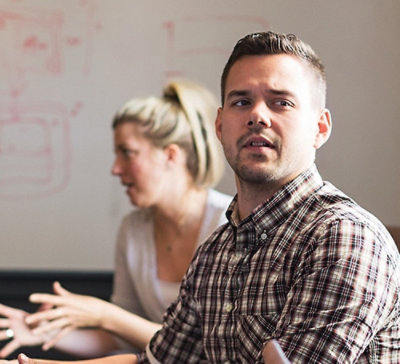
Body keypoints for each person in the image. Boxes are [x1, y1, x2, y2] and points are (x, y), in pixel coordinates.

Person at [1, 29, 400, 364]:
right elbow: (157, 362)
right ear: (220, 124)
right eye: (242, 101)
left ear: (320, 127)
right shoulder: (216, 251)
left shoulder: (345, 237)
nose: (258, 115)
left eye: (281, 102)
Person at [0, 79, 232, 359]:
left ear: (170, 155)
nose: (115, 168)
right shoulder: (133, 230)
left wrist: (106, 315)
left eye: (127, 153)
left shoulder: (230, 224)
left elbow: (204, 349)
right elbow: (121, 341)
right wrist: (49, 333)